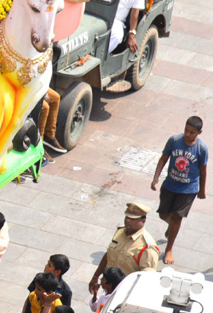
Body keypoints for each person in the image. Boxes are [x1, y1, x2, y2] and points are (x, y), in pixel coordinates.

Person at [152, 116, 207, 265]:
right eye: (186, 130)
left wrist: (202, 190)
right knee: (164, 214)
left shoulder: (201, 149)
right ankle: (171, 226)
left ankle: (169, 249)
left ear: (199, 132)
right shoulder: (174, 140)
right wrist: (156, 177)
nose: (188, 134)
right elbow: (163, 158)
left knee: (177, 217)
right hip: (170, 185)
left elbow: (203, 170)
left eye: (192, 132)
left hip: (188, 189)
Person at [87, 201, 160, 296]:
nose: (128, 221)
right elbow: (109, 255)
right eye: (127, 217)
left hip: (125, 293)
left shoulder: (147, 247)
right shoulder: (120, 232)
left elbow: (146, 279)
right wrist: (95, 276)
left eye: (133, 219)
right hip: (109, 288)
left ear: (143, 221)